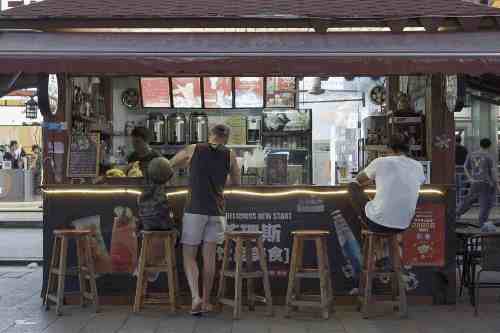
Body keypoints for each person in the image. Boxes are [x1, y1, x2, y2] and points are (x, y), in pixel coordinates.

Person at [170, 124, 241, 315]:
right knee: (209, 257)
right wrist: (217, 180)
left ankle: (195, 298)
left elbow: (169, 165)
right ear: (226, 138)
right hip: (216, 212)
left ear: (210, 135)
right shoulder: (231, 155)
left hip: (194, 210)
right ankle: (207, 301)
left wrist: (189, 169)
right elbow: (236, 182)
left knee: (189, 256)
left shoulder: (194, 149)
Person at [349, 134, 425, 234]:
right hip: (405, 224)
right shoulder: (418, 166)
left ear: (389, 148)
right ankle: (389, 243)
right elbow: (420, 183)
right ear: (408, 149)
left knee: (352, 186)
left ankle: (367, 236)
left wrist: (374, 180)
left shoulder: (380, 162)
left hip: (377, 224)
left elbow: (358, 180)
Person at [137, 157, 177, 281]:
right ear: (168, 176)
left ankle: (145, 266)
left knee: (149, 235)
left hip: (147, 229)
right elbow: (168, 216)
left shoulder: (144, 193)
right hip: (164, 229)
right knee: (177, 233)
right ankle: (157, 266)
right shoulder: (168, 193)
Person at [456, 138, 499, 228]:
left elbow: (465, 167)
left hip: (475, 182)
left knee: (468, 201)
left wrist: (470, 178)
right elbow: (493, 172)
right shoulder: (489, 156)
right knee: (485, 204)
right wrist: (497, 185)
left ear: (480, 144)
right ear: (490, 146)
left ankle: (457, 215)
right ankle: (481, 224)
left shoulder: (472, 154)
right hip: (487, 183)